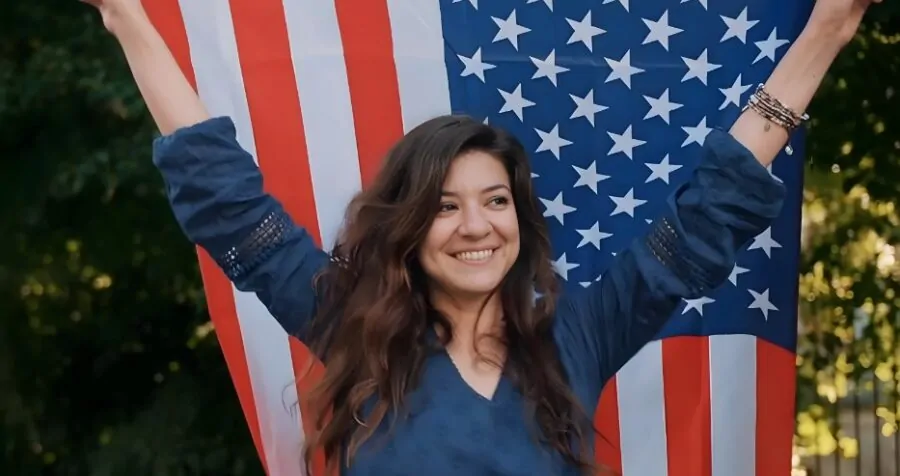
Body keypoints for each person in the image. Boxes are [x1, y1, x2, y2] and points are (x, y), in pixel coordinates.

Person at [83, 0, 882, 474]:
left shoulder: (579, 334)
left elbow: (709, 213)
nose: (476, 226)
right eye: (445, 205)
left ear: (519, 221)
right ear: (406, 226)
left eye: (495, 201)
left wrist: (830, 30)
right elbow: (226, 201)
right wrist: (125, 16)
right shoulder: (349, 326)